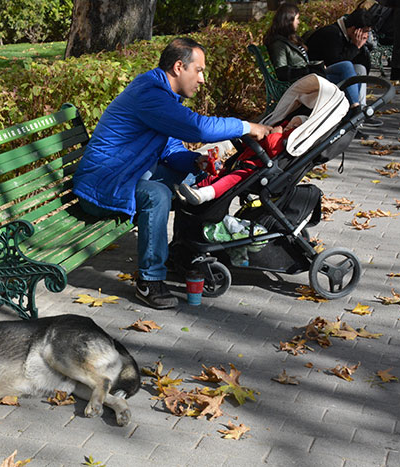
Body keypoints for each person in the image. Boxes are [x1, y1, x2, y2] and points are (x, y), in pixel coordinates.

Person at [72, 37, 273, 309]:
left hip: (127, 175)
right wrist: (246, 126)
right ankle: (149, 281)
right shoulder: (149, 95)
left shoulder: (161, 95)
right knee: (155, 195)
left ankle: (183, 251)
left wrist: (194, 162)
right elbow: (199, 128)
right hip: (102, 185)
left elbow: (169, 148)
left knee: (197, 181)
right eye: (199, 70)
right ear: (179, 67)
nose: (202, 79)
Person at [176, 115, 307, 205]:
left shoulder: (284, 141)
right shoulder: (278, 131)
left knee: (229, 180)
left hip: (252, 171)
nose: (290, 126)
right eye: (291, 122)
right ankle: (193, 189)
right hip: (242, 163)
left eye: (295, 126)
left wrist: (276, 134)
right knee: (218, 176)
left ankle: (204, 194)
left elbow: (274, 150)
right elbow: (248, 146)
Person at [264, 3, 363, 107]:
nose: (298, 22)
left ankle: (353, 109)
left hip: (308, 75)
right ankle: (354, 109)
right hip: (302, 81)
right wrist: (309, 69)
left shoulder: (289, 39)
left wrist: (315, 66)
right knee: (351, 77)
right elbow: (282, 72)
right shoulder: (279, 44)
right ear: (288, 21)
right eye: (297, 19)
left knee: (348, 68)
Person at [305, 7, 379, 117]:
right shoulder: (332, 34)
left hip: (333, 72)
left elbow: (364, 65)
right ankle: (355, 109)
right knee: (347, 66)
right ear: (355, 29)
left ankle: (361, 111)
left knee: (360, 69)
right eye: (365, 31)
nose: (366, 35)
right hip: (319, 74)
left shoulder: (348, 35)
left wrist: (360, 47)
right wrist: (355, 46)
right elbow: (336, 62)